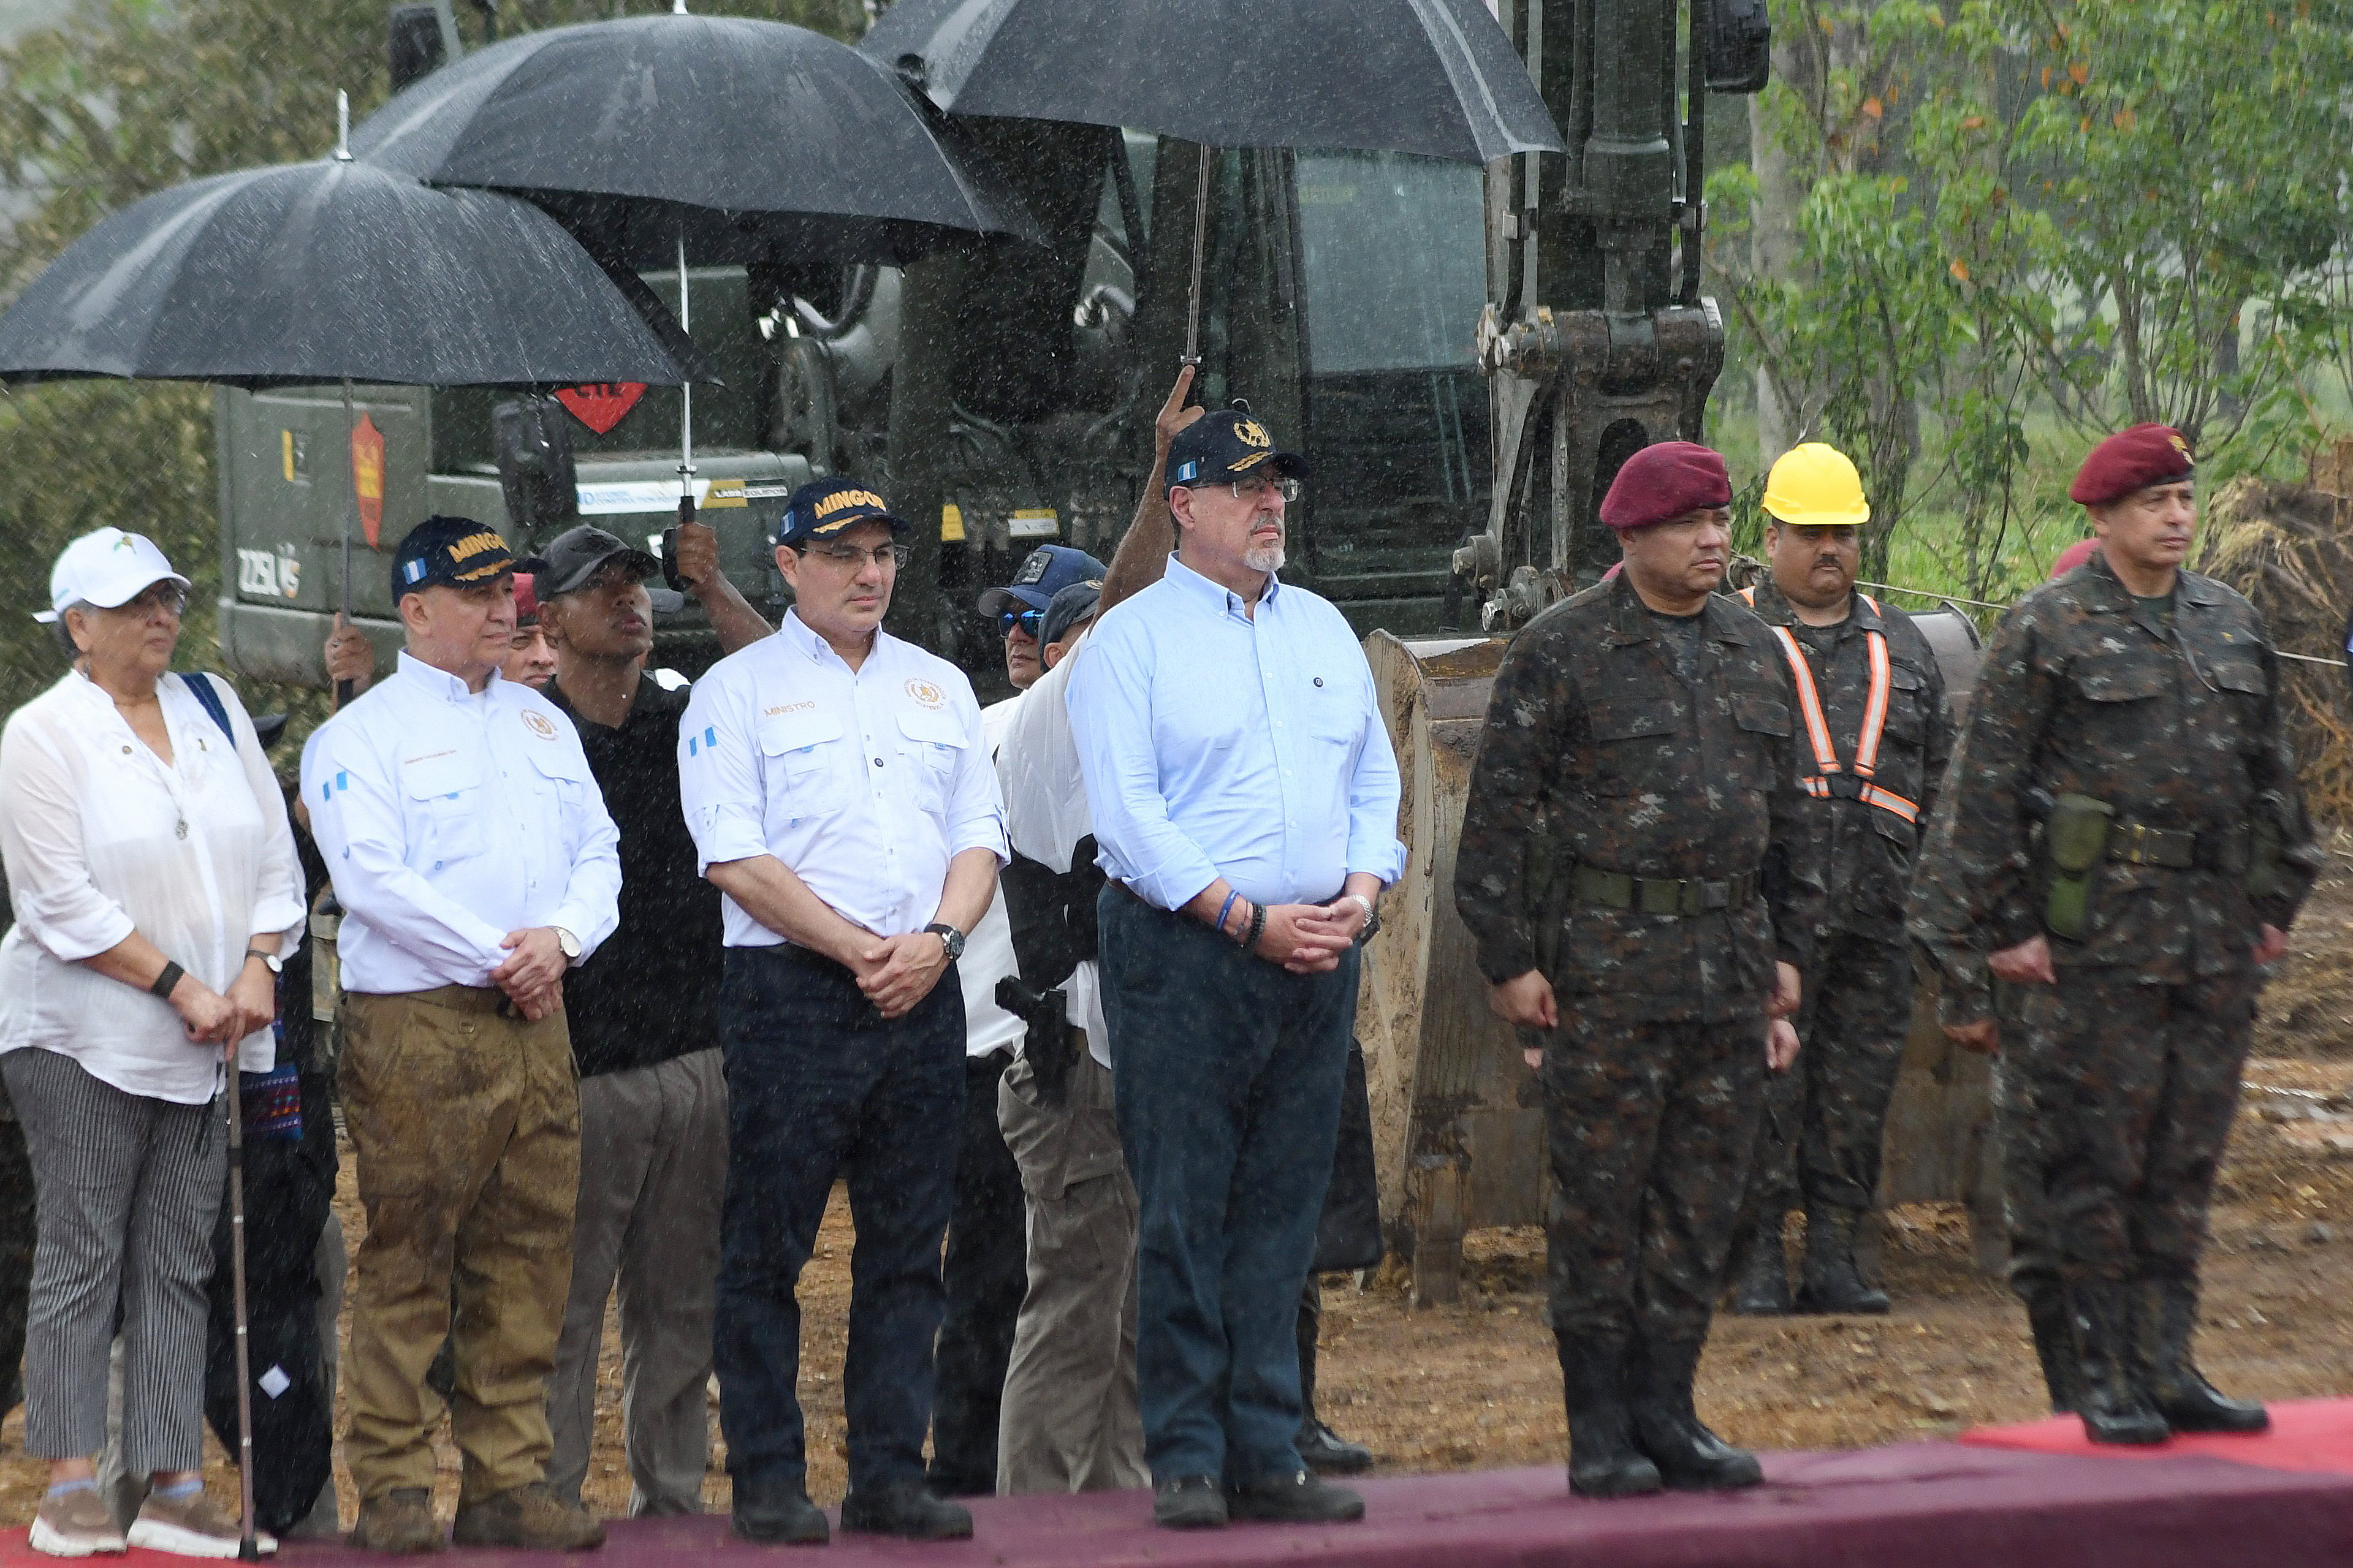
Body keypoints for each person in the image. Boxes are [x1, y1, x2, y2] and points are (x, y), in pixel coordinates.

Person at [1909, 425, 2319, 1445]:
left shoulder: (2229, 622)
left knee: (2181, 1163)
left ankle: (2166, 1363)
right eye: (2152, 503)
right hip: (2086, 945)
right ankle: (2097, 1377)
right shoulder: (2044, 628)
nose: (2175, 518)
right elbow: (1981, 789)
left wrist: (2270, 905)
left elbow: (2276, 778)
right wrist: (1998, 931)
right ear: (2098, 517)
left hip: (2208, 939)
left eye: (2182, 499)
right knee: (2089, 1168)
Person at [1453, 441, 1818, 1501]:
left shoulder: (1755, 647)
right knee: (1599, 1205)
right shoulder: (1559, 649)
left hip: (1727, 970)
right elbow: (1495, 823)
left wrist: (1790, 959)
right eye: (1689, 525)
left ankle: (1669, 1407)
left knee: (1702, 1202)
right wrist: (1509, 961)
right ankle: (1598, 1424)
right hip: (1603, 976)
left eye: (1720, 521)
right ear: (1629, 535)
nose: (1714, 541)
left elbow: (1790, 820)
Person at [1070, 407, 1402, 1531]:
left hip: (1317, 951)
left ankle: (1269, 1443)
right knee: (1181, 1207)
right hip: (1182, 952)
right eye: (1245, 486)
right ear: (1183, 505)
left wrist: (1357, 894)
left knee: (1281, 1209)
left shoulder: (1320, 628)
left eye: (1278, 488)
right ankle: (1186, 1455)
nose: (1270, 505)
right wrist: (1243, 916)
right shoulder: (1129, 640)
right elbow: (1128, 814)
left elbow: (1373, 785)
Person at [679, 478, 1005, 1546]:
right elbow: (731, 852)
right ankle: (769, 1476)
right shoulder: (736, 690)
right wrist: (855, 945)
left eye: (881, 554)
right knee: (766, 1249)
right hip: (793, 994)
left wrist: (939, 943)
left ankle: (886, 1473)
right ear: (784, 564)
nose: (869, 573)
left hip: (922, 989)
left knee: (909, 1245)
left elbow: (978, 836)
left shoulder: (939, 684)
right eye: (843, 554)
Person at [302, 516, 620, 1553]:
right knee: (410, 1255)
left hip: (536, 1020)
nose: (500, 611)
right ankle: (394, 1486)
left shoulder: (543, 724)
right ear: (414, 610)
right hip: (421, 1024)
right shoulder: (357, 736)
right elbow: (371, 880)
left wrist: (561, 939)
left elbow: (599, 853)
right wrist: (504, 950)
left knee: (528, 1254)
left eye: (506, 594)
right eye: (475, 593)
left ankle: (507, 1478)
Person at [0, 528, 305, 1557]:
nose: (160, 615)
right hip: (80, 1033)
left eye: (168, 595)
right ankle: (72, 1481)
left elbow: (273, 854)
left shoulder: (212, 708)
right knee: (85, 1247)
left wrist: (260, 962)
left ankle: (174, 1481)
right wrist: (179, 984)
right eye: (133, 602)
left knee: (179, 1255)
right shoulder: (42, 733)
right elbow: (56, 901)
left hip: (211, 1029)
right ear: (77, 625)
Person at [531, 525, 762, 1518]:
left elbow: (794, 680)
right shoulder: (526, 736)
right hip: (577, 1069)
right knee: (564, 1312)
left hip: (695, 1055)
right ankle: (548, 1500)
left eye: (633, 581)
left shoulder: (686, 714)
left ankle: (669, 1503)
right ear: (548, 618)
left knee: (680, 1309)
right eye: (601, 586)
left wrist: (708, 586)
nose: (628, 599)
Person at [1723, 444, 1953, 1317]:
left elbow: (1938, 781)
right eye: (1812, 532)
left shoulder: (1903, 646)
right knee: (1757, 1093)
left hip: (1875, 917)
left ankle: (1832, 1255)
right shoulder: (1731, 635)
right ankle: (1750, 1259)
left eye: (1845, 534)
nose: (1830, 549)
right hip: (1763, 921)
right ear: (1771, 534)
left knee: (1853, 1094)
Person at [992, 575, 1152, 1497]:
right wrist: (1160, 483)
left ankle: (1119, 1506)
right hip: (1076, 1065)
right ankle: (1038, 1522)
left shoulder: (1135, 743)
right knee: (1072, 1316)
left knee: (1132, 1318)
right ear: (1057, 657)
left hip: (1143, 1063)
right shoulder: (1045, 723)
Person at [979, 545, 1104, 694]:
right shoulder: (990, 717)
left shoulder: (1127, 713)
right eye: (1007, 620)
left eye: (1035, 621)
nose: (1014, 636)